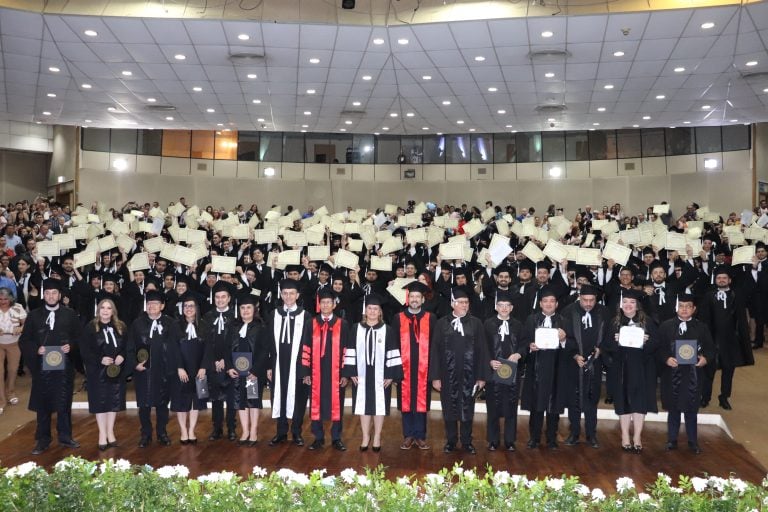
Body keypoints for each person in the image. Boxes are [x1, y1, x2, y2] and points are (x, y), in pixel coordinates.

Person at [19, 278, 82, 455]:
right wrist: (35, 349)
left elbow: (79, 338)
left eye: (54, 293)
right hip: (42, 368)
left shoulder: (70, 314)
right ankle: (42, 439)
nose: (51, 296)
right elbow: (25, 340)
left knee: (63, 402)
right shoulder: (34, 315)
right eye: (47, 293)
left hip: (64, 369)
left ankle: (65, 436)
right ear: (43, 295)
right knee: (43, 404)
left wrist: (71, 346)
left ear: (60, 295)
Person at [429, 288, 489, 454]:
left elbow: (482, 349)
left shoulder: (476, 323)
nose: (464, 305)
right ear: (452, 304)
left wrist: (481, 376)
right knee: (448, 408)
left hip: (469, 375)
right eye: (460, 302)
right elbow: (434, 350)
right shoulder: (442, 323)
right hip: (447, 375)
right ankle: (451, 441)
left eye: (466, 302)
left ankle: (467, 441)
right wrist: (435, 376)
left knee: (468, 408)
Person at [602, 288, 660, 454]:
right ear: (621, 304)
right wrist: (616, 341)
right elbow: (606, 347)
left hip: (642, 369)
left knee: (639, 403)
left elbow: (656, 344)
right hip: (621, 369)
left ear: (637, 305)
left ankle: (637, 437)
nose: (628, 305)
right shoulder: (614, 323)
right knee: (623, 402)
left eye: (632, 302)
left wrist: (646, 342)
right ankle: (625, 436)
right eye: (625, 302)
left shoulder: (647, 322)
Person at [658, 294, 715, 454]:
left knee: (691, 410)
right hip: (671, 373)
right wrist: (666, 358)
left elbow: (711, 349)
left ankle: (692, 441)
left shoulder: (701, 327)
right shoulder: (666, 326)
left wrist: (705, 359)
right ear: (676, 307)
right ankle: (672, 440)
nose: (684, 309)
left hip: (694, 374)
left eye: (688, 306)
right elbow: (659, 348)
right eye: (681, 306)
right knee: (673, 409)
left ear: (694, 309)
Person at [345, 294, 402, 451]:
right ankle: (365, 436)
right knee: (363, 405)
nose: (372, 311)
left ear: (380, 312)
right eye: (369, 308)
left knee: (379, 406)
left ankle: (377, 436)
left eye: (375, 309)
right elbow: (350, 350)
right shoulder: (356, 328)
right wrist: (351, 372)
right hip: (361, 374)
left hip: (381, 374)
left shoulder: (387, 330)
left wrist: (391, 375)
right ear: (365, 310)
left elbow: (393, 352)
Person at [126, 289, 182, 447]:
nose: (152, 306)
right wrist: (134, 364)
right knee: (144, 405)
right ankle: (145, 434)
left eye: (155, 303)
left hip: (164, 371)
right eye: (149, 303)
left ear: (162, 306)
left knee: (162, 404)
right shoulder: (137, 324)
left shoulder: (170, 323)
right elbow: (130, 346)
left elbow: (176, 347)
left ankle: (162, 432)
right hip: (144, 372)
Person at [300, 288, 350, 451]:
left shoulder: (342, 324)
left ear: (334, 305)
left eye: (329, 302)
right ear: (319, 304)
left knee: (337, 403)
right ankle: (318, 437)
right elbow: (305, 347)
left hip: (336, 372)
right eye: (323, 302)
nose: (326, 305)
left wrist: (345, 374)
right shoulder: (311, 323)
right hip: (316, 371)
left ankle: (336, 437)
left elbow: (347, 349)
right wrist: (306, 372)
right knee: (315, 402)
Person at [697, 266, 753, 410]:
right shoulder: (709, 295)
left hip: (731, 341)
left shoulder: (736, 295)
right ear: (715, 280)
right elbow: (704, 319)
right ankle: (705, 397)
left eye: (724, 278)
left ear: (729, 280)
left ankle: (724, 397)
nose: (721, 280)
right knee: (708, 371)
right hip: (712, 340)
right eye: (719, 278)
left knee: (728, 371)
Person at [266, 279, 312, 447]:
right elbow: (268, 343)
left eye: (292, 293)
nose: (288, 296)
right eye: (285, 293)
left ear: (297, 295)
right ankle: (281, 432)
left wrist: (306, 370)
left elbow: (309, 345)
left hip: (298, 366)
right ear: (281, 295)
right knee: (278, 396)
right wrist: (269, 366)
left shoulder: (305, 316)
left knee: (299, 398)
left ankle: (297, 432)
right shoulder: (274, 314)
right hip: (278, 364)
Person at [560, 284, 606, 448]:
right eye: (585, 300)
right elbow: (564, 337)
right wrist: (574, 355)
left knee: (591, 400)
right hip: (573, 362)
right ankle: (574, 433)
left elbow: (608, 337)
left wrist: (601, 350)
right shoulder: (568, 312)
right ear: (579, 297)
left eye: (591, 300)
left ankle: (591, 435)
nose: (588, 304)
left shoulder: (603, 312)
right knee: (574, 400)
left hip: (594, 363)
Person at [520, 286, 566, 450]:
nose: (548, 304)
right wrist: (530, 346)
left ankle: (552, 439)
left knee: (553, 406)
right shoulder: (531, 320)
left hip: (556, 369)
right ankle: (534, 437)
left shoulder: (563, 320)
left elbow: (572, 345)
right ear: (540, 303)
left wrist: (563, 340)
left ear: (557, 304)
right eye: (545, 301)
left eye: (552, 301)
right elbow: (523, 341)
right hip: (536, 367)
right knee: (536, 405)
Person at [392, 281, 436, 450]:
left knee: (421, 402)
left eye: (418, 296)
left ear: (423, 300)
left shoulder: (430, 318)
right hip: (404, 369)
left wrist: (433, 371)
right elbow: (394, 345)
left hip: (424, 369)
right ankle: (408, 435)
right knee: (406, 402)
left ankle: (420, 435)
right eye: (412, 296)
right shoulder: (398, 318)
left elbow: (434, 345)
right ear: (407, 298)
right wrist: (395, 371)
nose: (415, 299)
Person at [81, 298, 127, 450]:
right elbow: (85, 350)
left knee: (113, 401)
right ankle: (102, 434)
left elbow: (127, 346)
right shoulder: (90, 327)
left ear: (113, 311)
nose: (105, 311)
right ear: (98, 310)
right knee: (100, 402)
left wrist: (122, 355)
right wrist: (100, 359)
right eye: (103, 308)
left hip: (115, 371)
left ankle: (110, 432)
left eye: (109, 308)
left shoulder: (120, 326)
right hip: (97, 371)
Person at [483, 290, 525, 451]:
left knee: (511, 406)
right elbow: (483, 346)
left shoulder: (518, 325)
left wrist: (518, 353)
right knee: (493, 406)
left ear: (512, 307)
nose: (504, 308)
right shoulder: (488, 324)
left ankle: (509, 440)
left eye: (507, 306)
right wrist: (489, 361)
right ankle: (493, 440)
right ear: (496, 307)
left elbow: (524, 343)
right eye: (501, 305)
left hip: (512, 373)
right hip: (494, 371)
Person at [226, 294, 268, 446]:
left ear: (254, 309)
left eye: (248, 307)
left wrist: (255, 371)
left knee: (253, 401)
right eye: (242, 308)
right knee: (240, 401)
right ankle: (245, 431)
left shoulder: (261, 327)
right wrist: (229, 367)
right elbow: (226, 348)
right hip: (237, 372)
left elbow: (264, 351)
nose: (245, 311)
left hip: (253, 373)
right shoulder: (233, 326)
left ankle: (254, 432)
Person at [200, 280, 238, 441]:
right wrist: (214, 360)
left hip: (230, 364)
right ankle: (217, 428)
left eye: (223, 297)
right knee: (216, 398)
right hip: (213, 363)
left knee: (230, 397)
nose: (220, 300)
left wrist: (226, 360)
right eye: (217, 297)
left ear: (229, 298)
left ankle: (231, 427)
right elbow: (205, 342)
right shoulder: (208, 317)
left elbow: (235, 341)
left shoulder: (235, 317)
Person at [171, 294, 207, 445]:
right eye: (186, 306)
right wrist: (179, 367)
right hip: (182, 369)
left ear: (196, 308)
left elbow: (208, 348)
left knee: (195, 401)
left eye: (191, 306)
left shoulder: (203, 325)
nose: (188, 309)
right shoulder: (175, 325)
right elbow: (173, 348)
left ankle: (191, 430)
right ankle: (183, 431)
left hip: (198, 369)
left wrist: (204, 367)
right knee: (181, 401)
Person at [0, 287, 26, 413]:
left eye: (5, 299)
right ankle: (1, 400)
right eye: (0, 299)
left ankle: (10, 393)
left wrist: (20, 329)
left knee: (12, 370)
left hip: (14, 344)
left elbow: (26, 324)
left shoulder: (18, 307)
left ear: (10, 298)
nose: (3, 301)